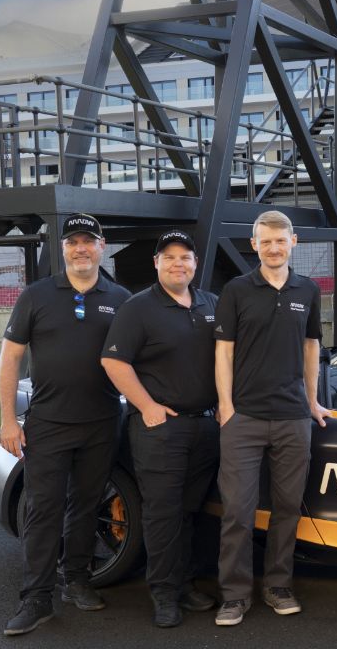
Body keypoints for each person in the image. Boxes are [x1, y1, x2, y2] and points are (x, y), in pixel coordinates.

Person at [0, 213, 131, 636]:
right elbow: (10, 359)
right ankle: (36, 598)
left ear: (101, 246)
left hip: (103, 421)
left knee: (86, 506)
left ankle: (76, 579)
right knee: (43, 510)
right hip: (49, 423)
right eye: (73, 242)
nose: (81, 249)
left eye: (88, 241)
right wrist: (6, 421)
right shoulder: (37, 296)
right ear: (64, 248)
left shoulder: (122, 298)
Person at [212, 210, 331, 627]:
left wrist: (313, 402)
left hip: (292, 417)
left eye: (280, 241)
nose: (273, 248)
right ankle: (234, 594)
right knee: (238, 512)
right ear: (254, 244)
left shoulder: (308, 289)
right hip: (243, 417)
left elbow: (311, 347)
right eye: (266, 242)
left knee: (286, 509)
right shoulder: (237, 290)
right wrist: (226, 406)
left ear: (293, 242)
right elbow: (223, 351)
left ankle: (278, 586)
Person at [100, 230, 220, 628]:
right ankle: (164, 594)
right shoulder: (138, 308)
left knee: (190, 511)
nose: (177, 264)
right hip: (160, 429)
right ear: (156, 263)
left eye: (185, 257)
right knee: (163, 513)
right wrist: (147, 405)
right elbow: (114, 362)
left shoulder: (210, 304)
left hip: (205, 427)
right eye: (169, 257)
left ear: (195, 263)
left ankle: (184, 584)